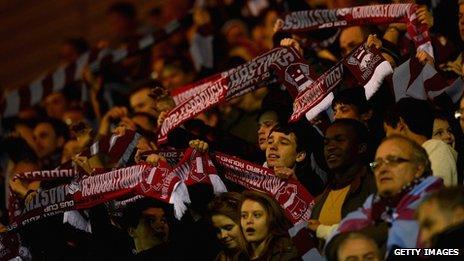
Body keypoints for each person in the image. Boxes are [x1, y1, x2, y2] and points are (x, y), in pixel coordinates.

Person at [325, 135, 443, 259]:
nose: (382, 169)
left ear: (418, 168)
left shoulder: (438, 203)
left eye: (393, 160)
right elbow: (333, 240)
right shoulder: (375, 204)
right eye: (377, 164)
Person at [308, 119, 376, 244]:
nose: (330, 147)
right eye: (326, 143)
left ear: (361, 147)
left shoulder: (376, 185)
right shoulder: (320, 200)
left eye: (339, 140)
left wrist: (322, 230)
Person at [384, 97, 458, 186]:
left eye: (386, 130)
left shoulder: (437, 149)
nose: (387, 137)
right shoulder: (417, 158)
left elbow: (433, 196)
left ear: (401, 124)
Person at [266, 123, 327, 196]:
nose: (272, 146)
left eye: (283, 143)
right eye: (270, 142)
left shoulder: (314, 186)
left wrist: (294, 183)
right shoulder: (254, 178)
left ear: (300, 156)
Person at [239, 190, 299, 260]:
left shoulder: (289, 255)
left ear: (272, 219)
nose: (248, 221)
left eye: (257, 215)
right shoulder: (239, 257)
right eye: (244, 216)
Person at [208, 192, 248, 260]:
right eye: (217, 230)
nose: (223, 236)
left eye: (229, 228)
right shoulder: (221, 258)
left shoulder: (268, 255)